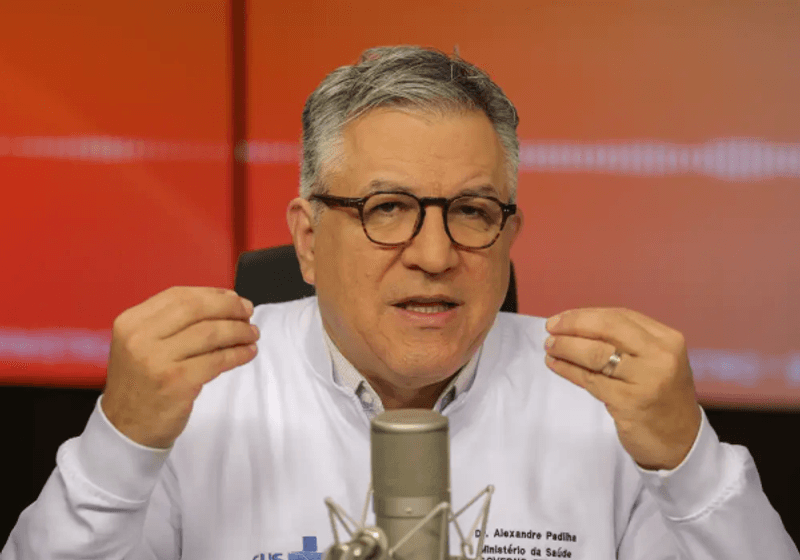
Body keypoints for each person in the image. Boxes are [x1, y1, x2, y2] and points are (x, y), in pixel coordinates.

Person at [2, 46, 798, 560]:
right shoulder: (199, 394)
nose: (435, 255)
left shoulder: (605, 402)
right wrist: (120, 443)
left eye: (473, 211)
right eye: (387, 208)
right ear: (308, 240)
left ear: (510, 235)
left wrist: (689, 461)